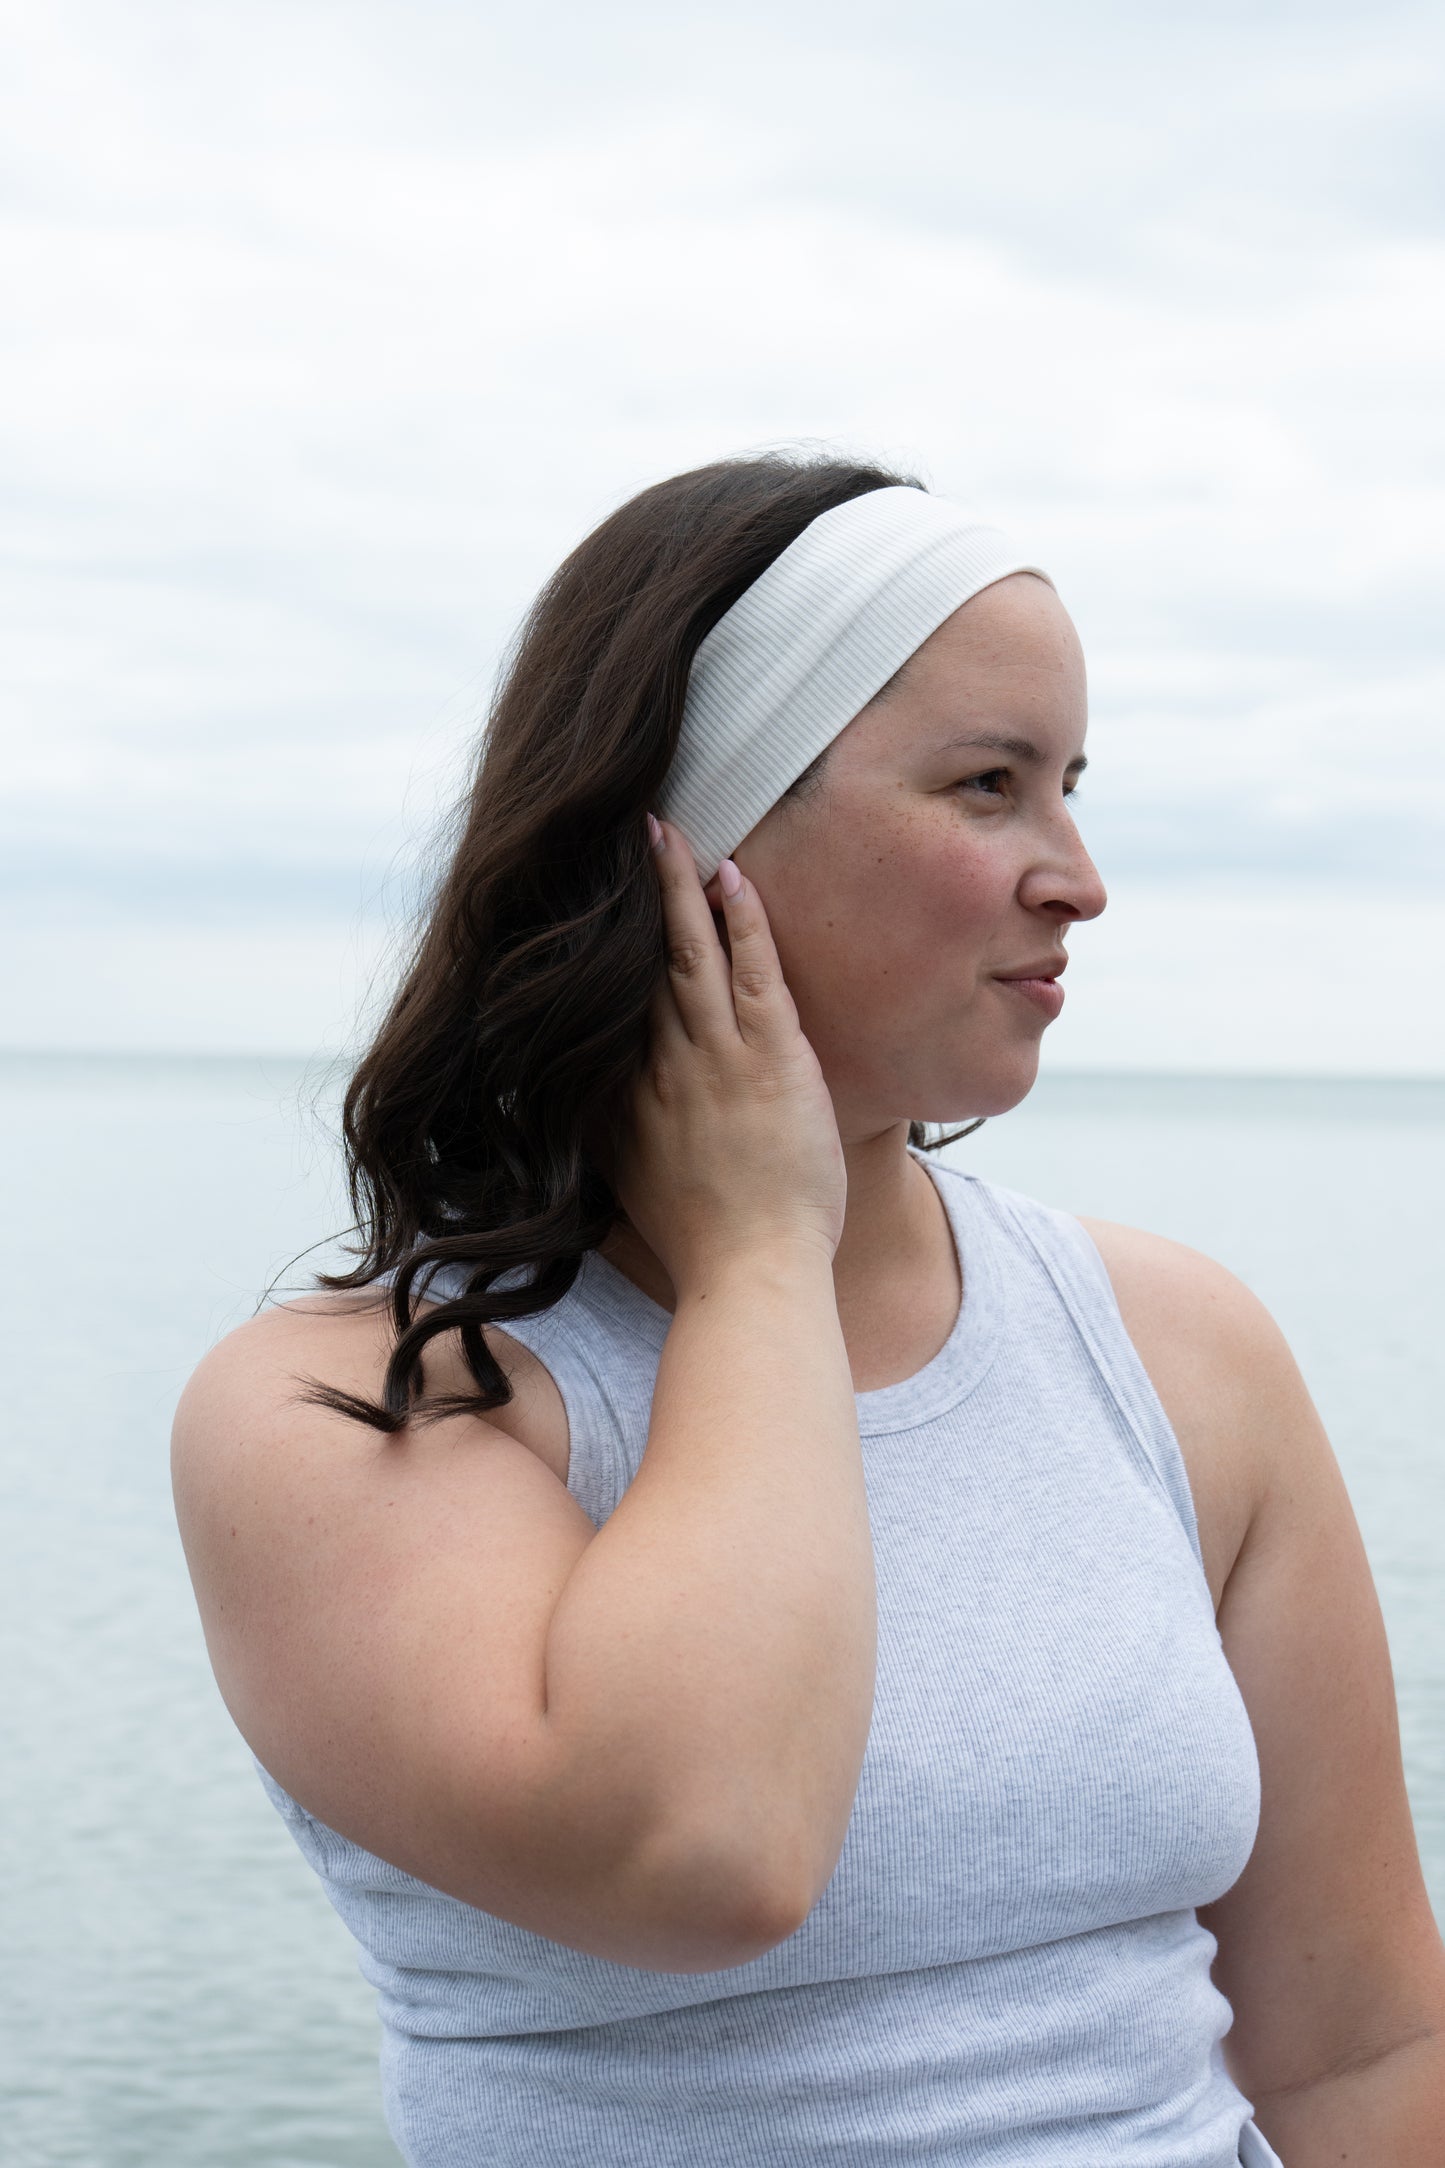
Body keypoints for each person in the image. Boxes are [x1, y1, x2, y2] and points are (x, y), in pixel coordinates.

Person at [171, 454, 1445, 2167]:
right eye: (986, 786)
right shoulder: (359, 1410)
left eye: (1068, 786)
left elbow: (1360, 2046)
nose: (1075, 876)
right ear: (691, 845)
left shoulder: (1176, 1350)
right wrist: (764, 1256)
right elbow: (704, 1852)